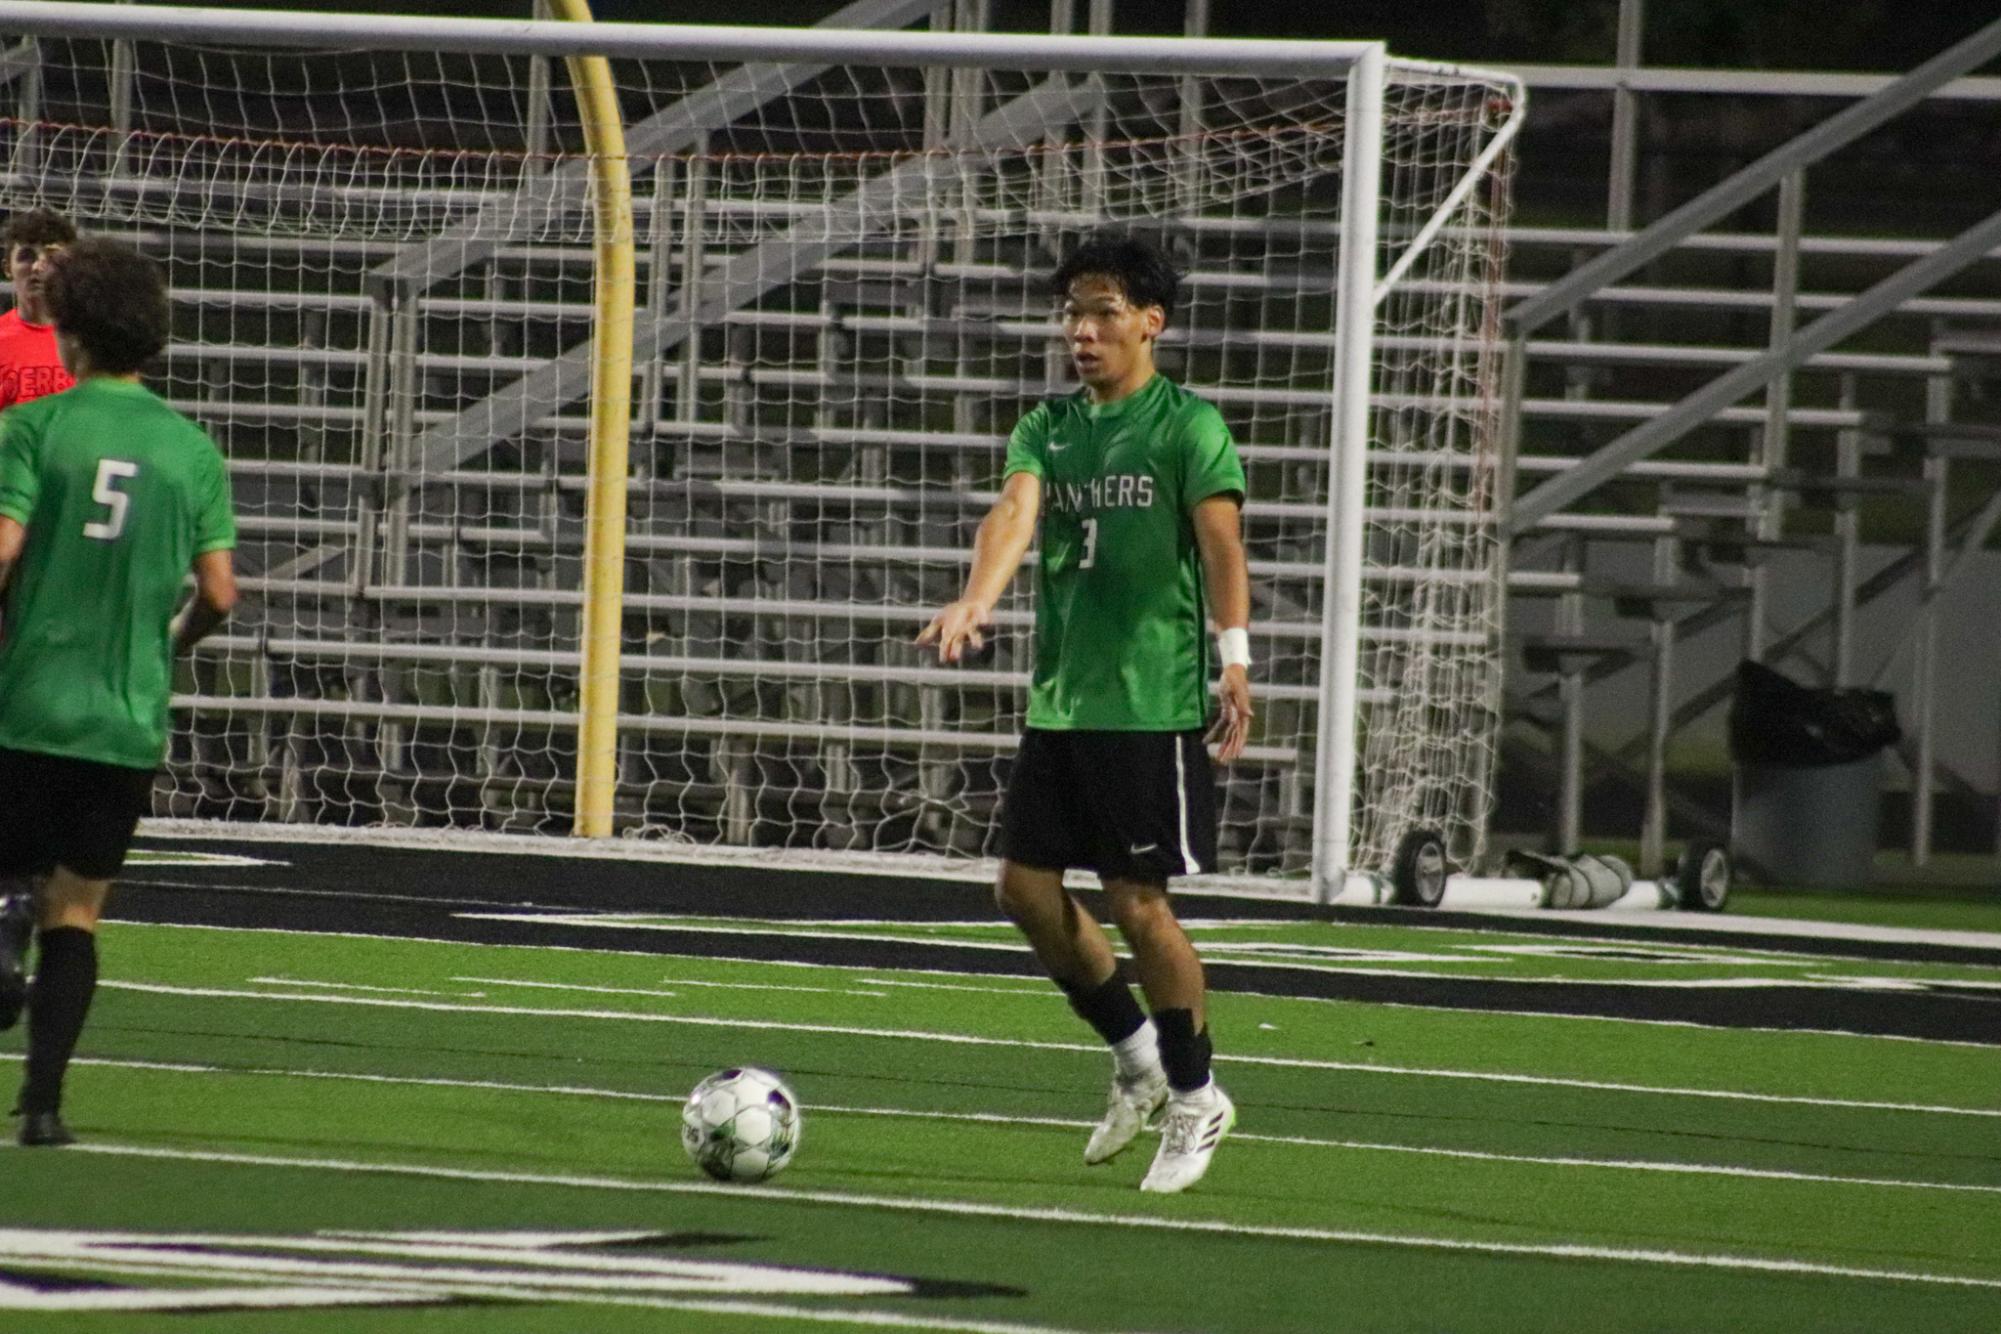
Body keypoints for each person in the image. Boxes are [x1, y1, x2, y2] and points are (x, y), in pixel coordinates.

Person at [917, 233, 1253, 1194]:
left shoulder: (1188, 427)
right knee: (1022, 891)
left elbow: (1222, 545)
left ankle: (1195, 1096)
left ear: (1151, 322)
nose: (1083, 329)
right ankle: (1139, 1058)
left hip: (1150, 704)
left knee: (1140, 906)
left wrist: (1235, 660)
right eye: (1073, 312)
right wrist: (977, 599)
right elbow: (1014, 514)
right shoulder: (1049, 428)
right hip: (1064, 701)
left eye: (1104, 311)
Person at [0, 237, 238, 1147]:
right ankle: (43, 1108)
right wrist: (168, 643)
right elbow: (218, 593)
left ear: (71, 333)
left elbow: (5, 549)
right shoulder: (191, 452)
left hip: (25, 704)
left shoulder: (35, 428)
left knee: (7, 873)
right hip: (125, 719)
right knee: (78, 912)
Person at [0, 208, 79, 410]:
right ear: (7, 268)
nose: (37, 266)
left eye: (51, 256)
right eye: (26, 256)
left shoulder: (88, 341)